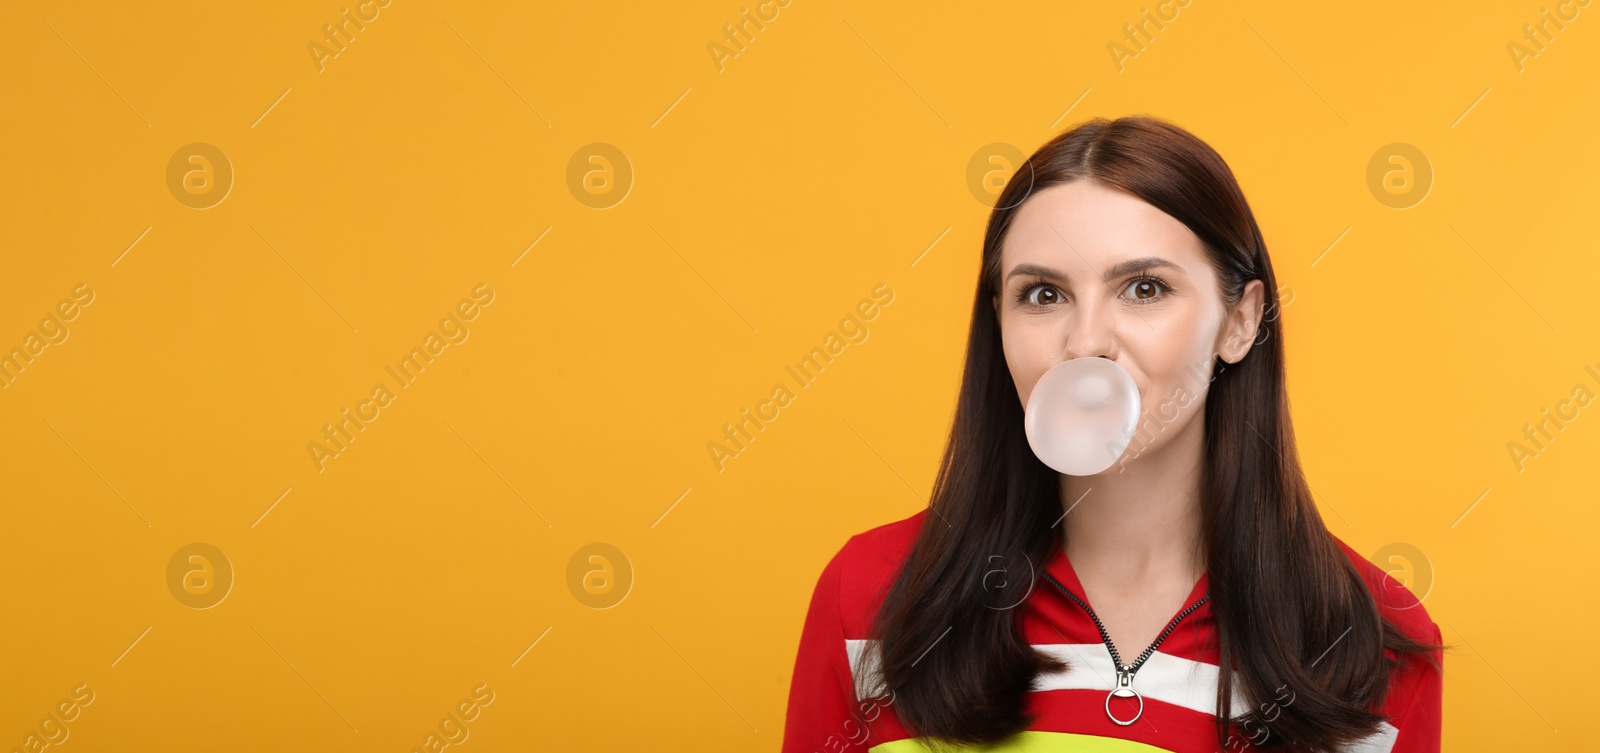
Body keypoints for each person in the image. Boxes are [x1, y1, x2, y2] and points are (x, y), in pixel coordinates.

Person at [780, 115, 1446, 753]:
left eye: (1145, 288)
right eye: (1044, 294)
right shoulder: (870, 597)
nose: (1087, 341)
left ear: (1240, 322)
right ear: (1000, 321)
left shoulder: (1370, 644)